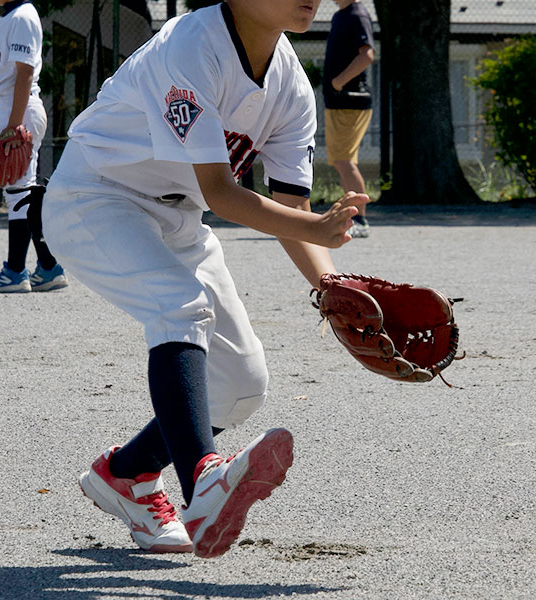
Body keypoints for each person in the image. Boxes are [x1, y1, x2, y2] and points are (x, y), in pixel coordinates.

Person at [41, 0, 366, 558]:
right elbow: (222, 192)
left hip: (179, 220)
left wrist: (333, 289)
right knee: (180, 304)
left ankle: (126, 476)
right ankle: (203, 486)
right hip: (95, 197)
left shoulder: (292, 85)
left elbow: (291, 206)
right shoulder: (191, 47)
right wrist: (318, 226)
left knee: (241, 383)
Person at [0, 0, 68, 293]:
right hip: (8, 108)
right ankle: (49, 268)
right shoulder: (6, 19)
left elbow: (24, 73)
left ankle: (15, 271)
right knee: (25, 191)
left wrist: (13, 125)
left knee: (18, 192)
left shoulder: (23, 15)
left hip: (17, 108)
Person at [322, 0, 375, 238]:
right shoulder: (340, 15)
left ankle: (360, 219)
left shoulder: (357, 14)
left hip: (350, 100)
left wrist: (339, 81)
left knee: (344, 160)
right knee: (341, 160)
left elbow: (367, 55)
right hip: (338, 102)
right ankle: (353, 216)